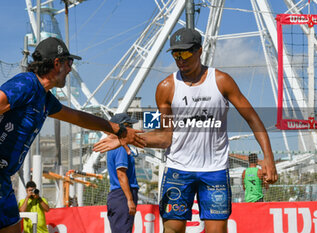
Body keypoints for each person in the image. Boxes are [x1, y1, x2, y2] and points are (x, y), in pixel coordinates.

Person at [94, 27, 278, 233]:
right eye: (175, 54)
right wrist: (126, 138)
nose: (180, 59)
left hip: (214, 170)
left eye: (185, 53)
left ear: (199, 50)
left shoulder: (221, 81)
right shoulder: (166, 87)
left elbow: (253, 118)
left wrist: (268, 157)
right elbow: (165, 137)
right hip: (178, 169)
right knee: (172, 230)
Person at [0, 37, 145, 233]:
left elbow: (78, 117)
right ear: (57, 63)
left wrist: (118, 130)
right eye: (69, 63)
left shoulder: (45, 98)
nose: (70, 69)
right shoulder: (26, 84)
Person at [106, 113, 139, 233]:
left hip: (119, 195)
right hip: (123, 195)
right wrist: (129, 199)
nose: (133, 129)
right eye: (130, 125)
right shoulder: (120, 147)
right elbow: (121, 174)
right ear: (122, 127)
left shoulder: (115, 147)